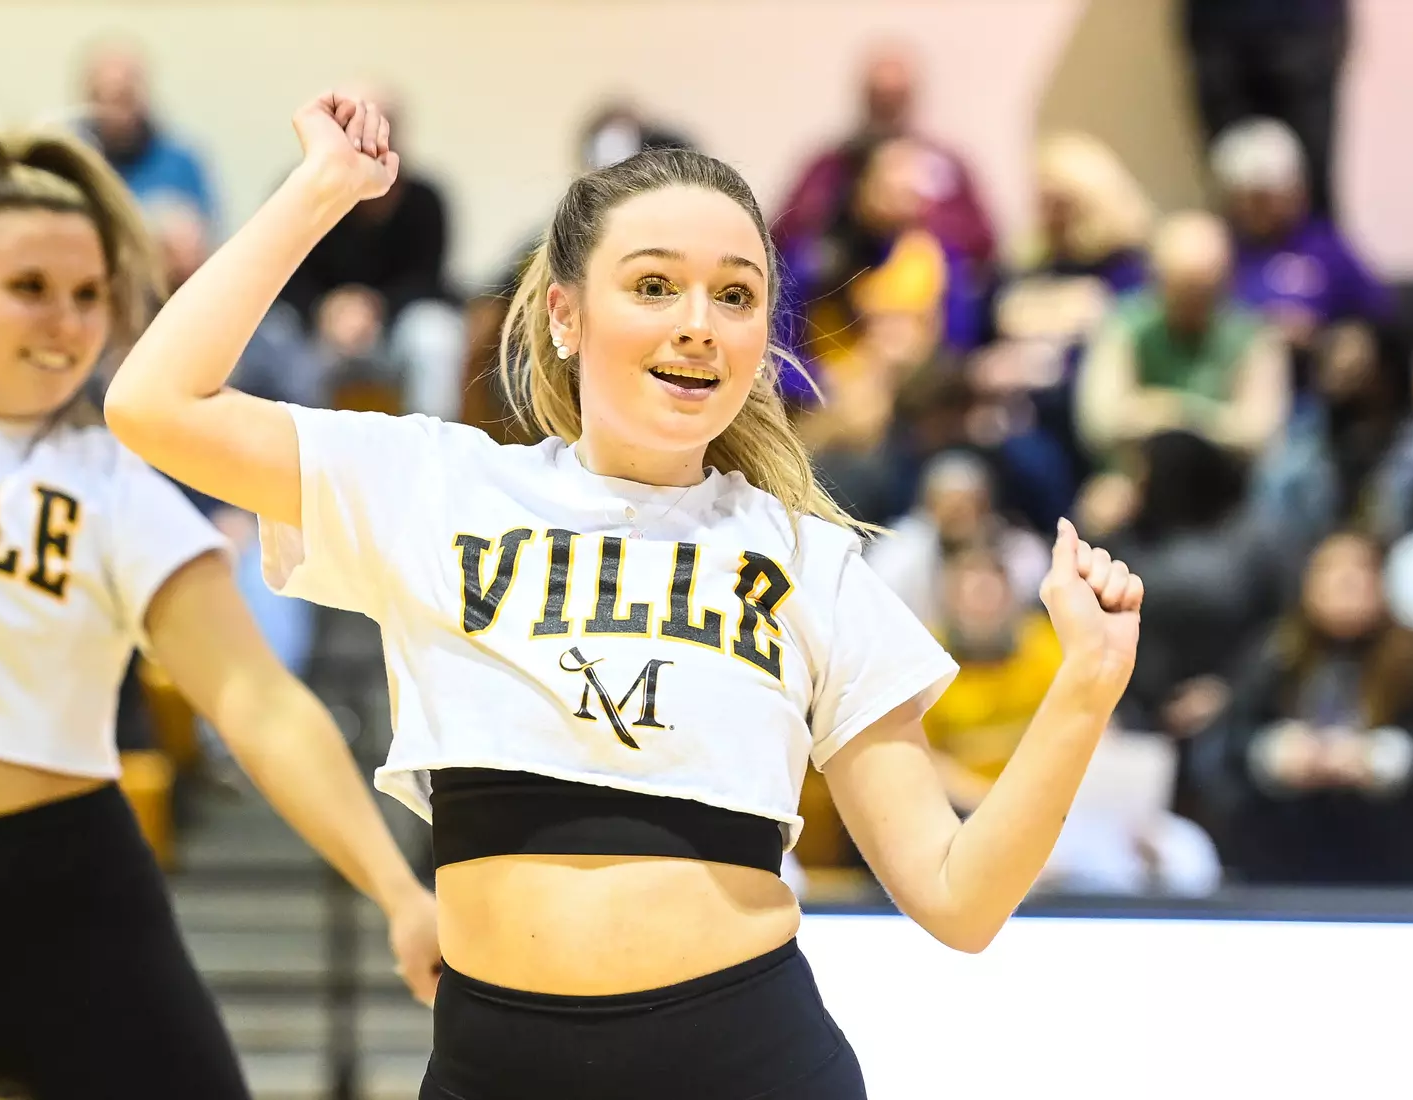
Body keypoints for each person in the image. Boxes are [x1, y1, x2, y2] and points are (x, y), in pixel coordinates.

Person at [105, 92, 1146, 1100]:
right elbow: (153, 402)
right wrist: (321, 192)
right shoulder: (438, 485)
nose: (699, 323)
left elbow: (959, 898)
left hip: (750, 1062)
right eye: (654, 285)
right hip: (490, 1063)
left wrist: (1086, 688)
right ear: (565, 312)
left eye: (734, 295)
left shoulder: (808, 557)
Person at [0, 8, 438, 1097]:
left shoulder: (116, 486)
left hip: (78, 905)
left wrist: (397, 887)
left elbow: (259, 701)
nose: (69, 322)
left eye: (92, 294)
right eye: (32, 288)